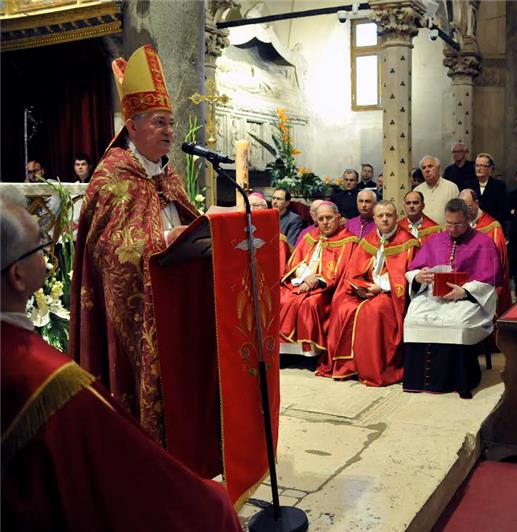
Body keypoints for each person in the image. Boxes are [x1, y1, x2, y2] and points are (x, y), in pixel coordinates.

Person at [0, 190, 240, 531]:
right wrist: (212, 500)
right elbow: (140, 487)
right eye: (39, 248)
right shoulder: (49, 381)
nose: (49, 256)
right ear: (17, 276)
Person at [69, 45, 199, 445]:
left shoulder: (168, 174)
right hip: (137, 311)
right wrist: (164, 241)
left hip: (176, 301)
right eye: (160, 122)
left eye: (171, 124)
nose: (169, 132)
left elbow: (187, 219)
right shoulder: (111, 176)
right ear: (133, 125)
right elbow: (109, 252)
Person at [403, 198, 500, 399]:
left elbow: (489, 280)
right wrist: (418, 276)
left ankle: (459, 380)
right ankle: (418, 380)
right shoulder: (436, 240)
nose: (452, 229)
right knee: (413, 318)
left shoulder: (483, 243)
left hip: (468, 298)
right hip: (433, 295)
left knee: (458, 323)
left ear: (468, 219)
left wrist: (464, 291)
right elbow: (413, 269)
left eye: (457, 224)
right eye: (448, 223)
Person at [319, 201, 418, 386]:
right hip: (367, 290)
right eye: (380, 216)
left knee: (371, 312)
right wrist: (361, 287)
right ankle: (347, 365)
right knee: (343, 307)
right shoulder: (368, 240)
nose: (385, 219)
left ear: (397, 217)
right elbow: (354, 271)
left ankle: (370, 368)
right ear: (374, 219)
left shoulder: (408, 242)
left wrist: (381, 288)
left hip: (392, 295)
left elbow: (407, 277)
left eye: (389, 215)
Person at [279, 202, 356, 356]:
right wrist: (307, 277)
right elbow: (295, 262)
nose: (325, 222)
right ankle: (286, 353)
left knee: (310, 304)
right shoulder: (310, 236)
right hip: (302, 282)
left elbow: (342, 272)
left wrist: (316, 280)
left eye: (329, 218)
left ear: (338, 217)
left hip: (328, 290)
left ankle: (310, 354)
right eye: (321, 219)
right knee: (283, 299)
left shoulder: (349, 241)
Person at [461, 189, 511, 316]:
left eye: (468, 206)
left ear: (477, 203)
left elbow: (498, 264)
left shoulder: (492, 228)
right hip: (463, 285)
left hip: (485, 285)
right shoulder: (459, 225)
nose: (465, 211)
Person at [413, 155, 459, 226]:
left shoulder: (451, 187)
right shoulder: (416, 191)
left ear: (438, 168)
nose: (427, 170)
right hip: (423, 234)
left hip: (445, 233)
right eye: (424, 168)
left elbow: (457, 214)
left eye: (430, 166)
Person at [462, 153, 509, 223]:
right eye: (477, 165)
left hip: (491, 225)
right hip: (471, 226)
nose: (478, 168)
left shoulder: (499, 186)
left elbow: (503, 211)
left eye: (482, 166)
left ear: (490, 168)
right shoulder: (468, 185)